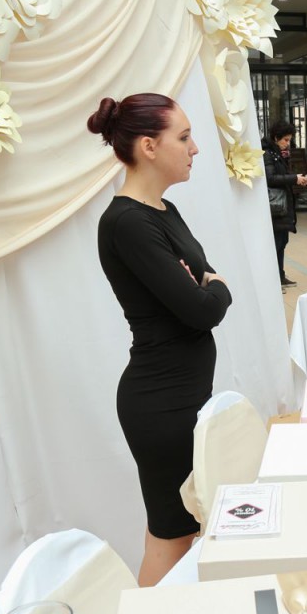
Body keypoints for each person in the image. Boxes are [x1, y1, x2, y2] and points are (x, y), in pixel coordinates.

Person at [89, 93, 233, 587]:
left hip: (183, 395)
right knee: (171, 536)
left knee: (188, 530)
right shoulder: (127, 223)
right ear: (149, 146)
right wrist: (210, 287)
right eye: (184, 137)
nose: (195, 148)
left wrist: (207, 285)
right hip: (161, 404)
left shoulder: (164, 211)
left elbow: (206, 283)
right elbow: (203, 307)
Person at [262, 119, 307, 288]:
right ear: (276, 138)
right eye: (285, 140)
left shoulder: (279, 153)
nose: (288, 143)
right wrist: (293, 178)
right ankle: (273, 279)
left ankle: (280, 276)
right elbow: (270, 178)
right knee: (276, 243)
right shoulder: (268, 153)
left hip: (283, 206)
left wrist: (295, 178)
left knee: (282, 242)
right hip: (276, 206)